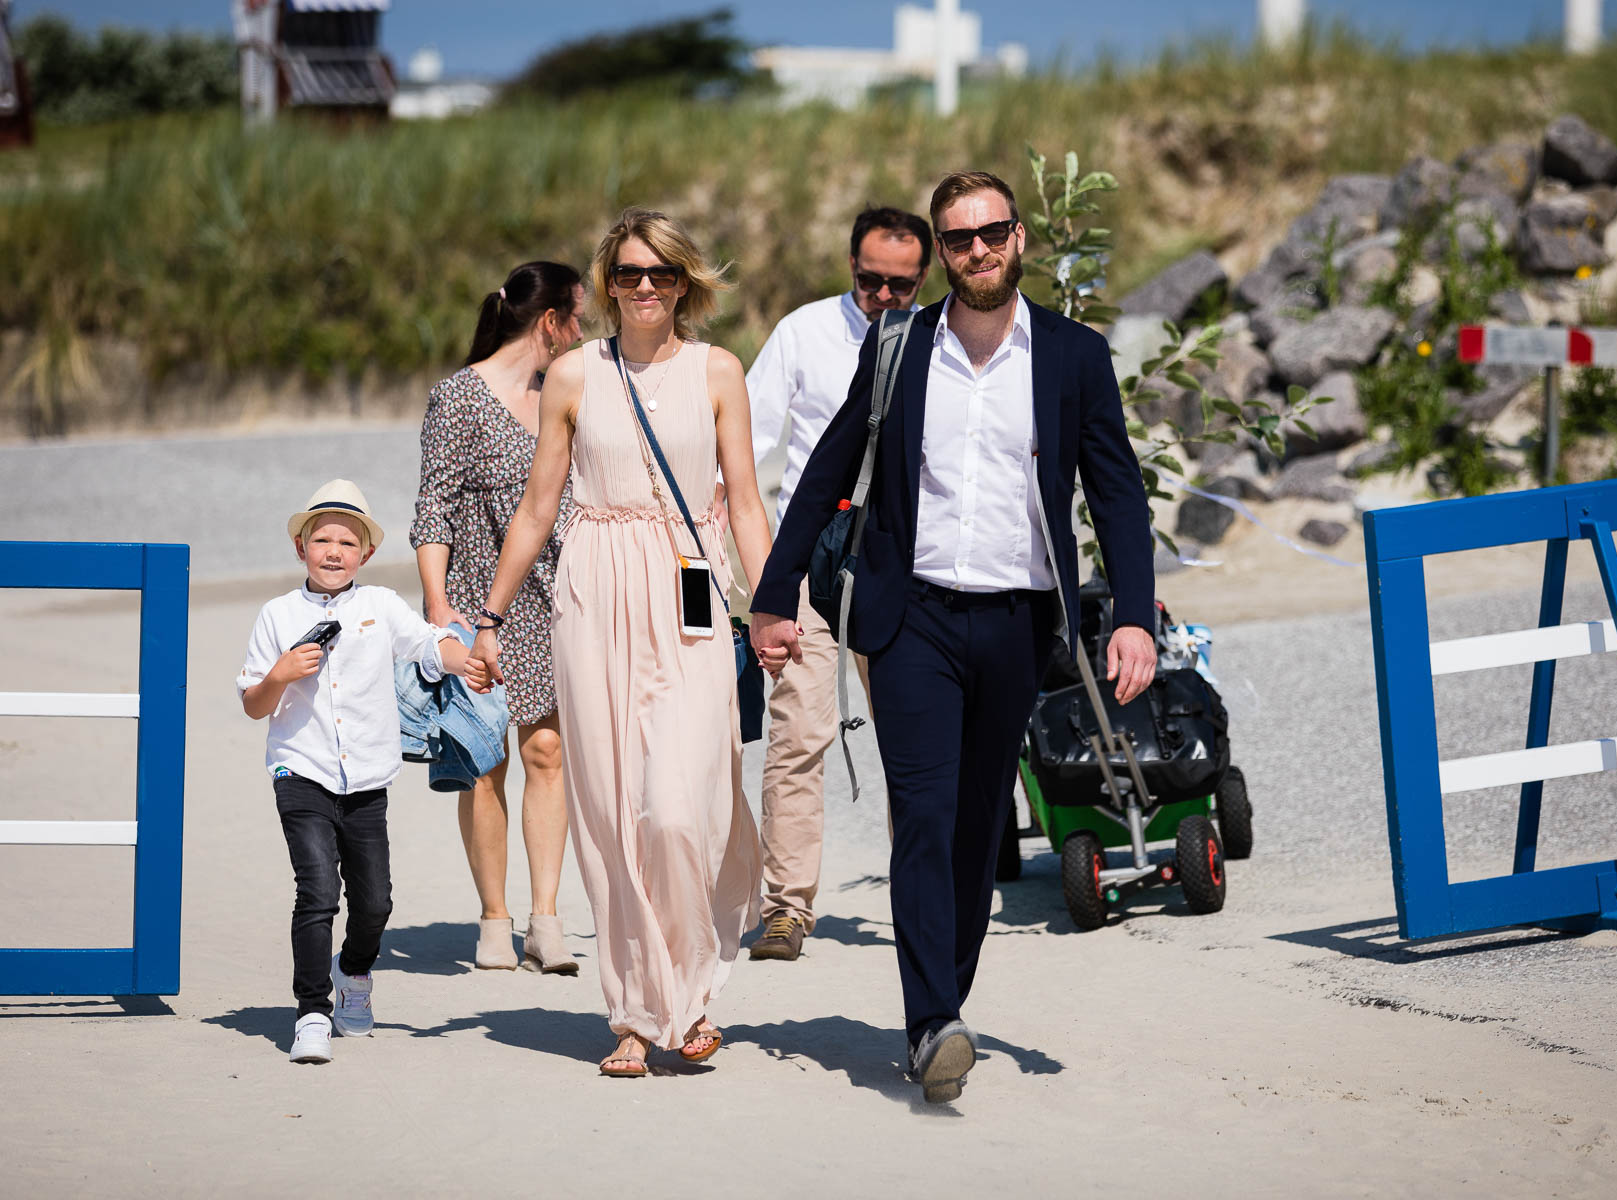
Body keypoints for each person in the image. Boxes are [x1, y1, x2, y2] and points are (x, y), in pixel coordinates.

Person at [749, 171, 1158, 1103]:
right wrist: (775, 597)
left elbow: (1117, 491)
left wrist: (1132, 612)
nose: (977, 251)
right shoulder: (900, 344)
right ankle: (933, 1018)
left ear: (1019, 240)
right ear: (941, 250)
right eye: (959, 238)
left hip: (1017, 621)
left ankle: (944, 1000)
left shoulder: (1072, 356)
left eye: (993, 233)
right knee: (925, 815)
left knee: (979, 829)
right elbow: (825, 471)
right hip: (913, 617)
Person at [469, 208, 771, 1079]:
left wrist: (776, 604)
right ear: (607, 285)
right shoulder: (571, 376)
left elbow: (745, 502)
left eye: (662, 274)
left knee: (678, 806)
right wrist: (488, 619)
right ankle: (638, 1014)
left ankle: (690, 989)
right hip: (593, 593)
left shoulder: (717, 371)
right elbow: (536, 509)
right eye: (630, 274)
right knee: (607, 814)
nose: (646, 287)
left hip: (688, 589)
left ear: (685, 284)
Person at [238, 479, 490, 1064]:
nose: (333, 552)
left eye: (346, 543)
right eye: (321, 539)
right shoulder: (277, 615)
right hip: (301, 772)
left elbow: (430, 648)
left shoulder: (379, 606)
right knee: (318, 892)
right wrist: (281, 673)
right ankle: (311, 1013)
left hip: (367, 780)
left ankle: (354, 974)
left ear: (366, 554)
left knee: (375, 903)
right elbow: (253, 703)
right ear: (301, 547)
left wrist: (467, 662)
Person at [743, 205, 932, 963]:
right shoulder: (804, 332)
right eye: (869, 282)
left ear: (925, 280)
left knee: (915, 741)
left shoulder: (940, 340)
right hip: (812, 563)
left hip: (904, 566)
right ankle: (786, 907)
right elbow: (746, 439)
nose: (884, 299)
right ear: (850, 267)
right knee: (796, 736)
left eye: (901, 287)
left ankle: (924, 895)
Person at [411, 261, 586, 974]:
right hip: (479, 597)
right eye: (577, 317)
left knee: (549, 752)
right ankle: (493, 919)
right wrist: (440, 609)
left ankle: (546, 920)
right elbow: (433, 508)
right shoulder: (458, 396)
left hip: (559, 596)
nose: (584, 332)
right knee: (485, 759)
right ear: (551, 322)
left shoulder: (567, 393)